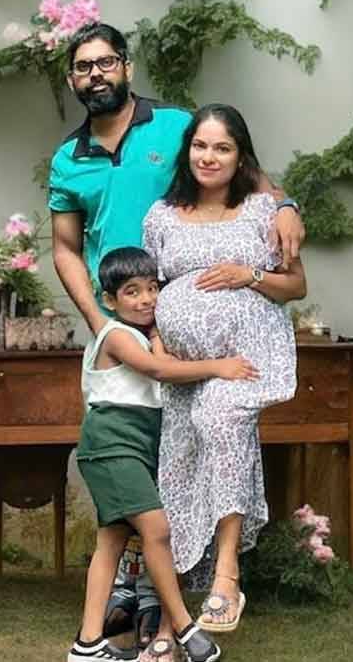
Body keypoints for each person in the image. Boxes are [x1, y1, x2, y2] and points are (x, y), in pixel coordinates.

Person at [49, 22, 306, 647]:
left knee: (187, 452)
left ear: (126, 67)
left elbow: (244, 167)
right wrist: (101, 322)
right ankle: (150, 605)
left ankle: (171, 605)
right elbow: (63, 246)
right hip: (129, 329)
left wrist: (288, 204)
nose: (96, 75)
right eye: (83, 68)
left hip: (193, 345)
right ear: (72, 80)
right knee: (145, 458)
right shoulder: (68, 159)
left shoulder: (174, 127)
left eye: (105, 63)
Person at [142, 104, 307, 637]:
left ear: (241, 158)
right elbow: (153, 291)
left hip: (248, 357)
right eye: (200, 145)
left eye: (222, 147)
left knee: (220, 419)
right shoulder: (161, 216)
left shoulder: (263, 211)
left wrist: (249, 273)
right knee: (182, 457)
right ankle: (176, 594)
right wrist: (159, 338)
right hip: (185, 367)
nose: (208, 157)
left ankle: (228, 572)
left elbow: (295, 286)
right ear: (187, 149)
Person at [68, 247, 256, 662]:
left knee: (111, 542)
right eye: (132, 292)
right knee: (157, 530)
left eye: (153, 288)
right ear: (109, 300)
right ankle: (186, 628)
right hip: (113, 446)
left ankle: (87, 645)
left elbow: (162, 363)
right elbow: (159, 371)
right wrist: (219, 366)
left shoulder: (144, 336)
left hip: (128, 448)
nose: (146, 299)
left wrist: (157, 337)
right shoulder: (115, 336)